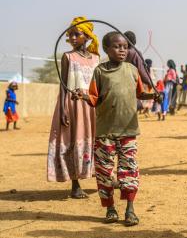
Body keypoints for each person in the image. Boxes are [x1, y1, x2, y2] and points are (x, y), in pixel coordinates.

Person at [74, 31, 159, 226]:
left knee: (129, 169)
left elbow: (141, 94)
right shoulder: (100, 71)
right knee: (104, 170)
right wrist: (83, 95)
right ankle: (110, 208)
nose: (122, 50)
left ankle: (130, 209)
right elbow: (94, 98)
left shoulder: (132, 70)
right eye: (117, 46)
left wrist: (154, 96)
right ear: (106, 49)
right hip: (105, 131)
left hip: (128, 130)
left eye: (125, 47)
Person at [47, 17, 100, 198]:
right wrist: (62, 109)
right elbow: (63, 85)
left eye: (77, 34)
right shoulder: (67, 57)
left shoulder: (96, 59)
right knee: (72, 140)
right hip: (73, 104)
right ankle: (75, 184)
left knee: (97, 142)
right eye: (70, 35)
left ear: (87, 36)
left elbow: (99, 85)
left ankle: (104, 178)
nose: (73, 38)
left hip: (91, 104)